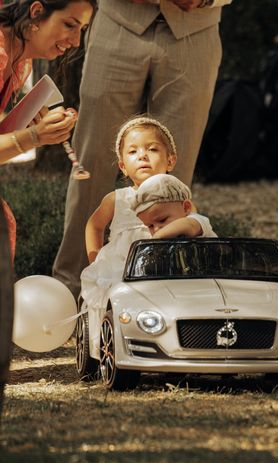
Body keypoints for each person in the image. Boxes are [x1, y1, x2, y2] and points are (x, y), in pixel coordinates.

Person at [53, 0, 232, 299]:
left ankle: (165, 292)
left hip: (196, 28)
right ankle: (72, 290)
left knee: (174, 178)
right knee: (91, 163)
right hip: (119, 22)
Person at [0, 0, 95, 261]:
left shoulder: (20, 62)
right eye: (69, 25)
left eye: (82, 30)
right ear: (37, 12)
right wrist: (35, 136)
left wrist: (30, 123)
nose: (76, 41)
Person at [80, 116, 181, 308]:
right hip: (122, 269)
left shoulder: (178, 197)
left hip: (167, 267)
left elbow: (193, 223)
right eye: (133, 151)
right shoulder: (116, 199)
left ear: (170, 161)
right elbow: (94, 226)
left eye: (152, 149)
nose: (142, 155)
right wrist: (96, 260)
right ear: (123, 167)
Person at [132, 173, 216, 238]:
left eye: (162, 220)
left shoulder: (197, 221)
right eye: (150, 226)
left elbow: (188, 225)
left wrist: (157, 237)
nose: (156, 229)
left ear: (186, 208)